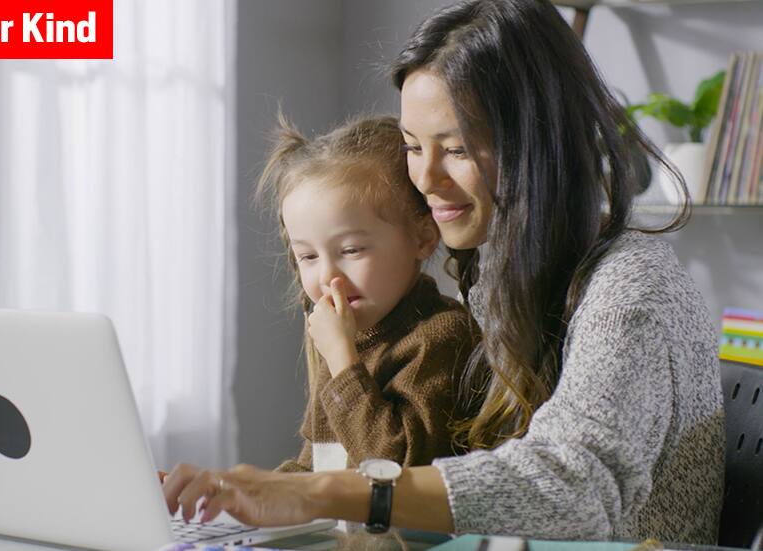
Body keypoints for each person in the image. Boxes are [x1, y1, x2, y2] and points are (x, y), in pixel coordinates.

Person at [163, 0, 724, 544]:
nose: (424, 179)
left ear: (536, 146)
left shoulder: (631, 291)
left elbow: (571, 486)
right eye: (412, 146)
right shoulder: (495, 278)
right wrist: (241, 498)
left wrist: (324, 493)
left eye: (454, 148)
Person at [256, 113, 481, 474]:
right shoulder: (346, 340)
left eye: (351, 251)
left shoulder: (440, 338)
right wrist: (243, 492)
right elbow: (319, 469)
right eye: (308, 257)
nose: (328, 277)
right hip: (345, 532)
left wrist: (344, 361)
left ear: (423, 238)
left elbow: (395, 469)